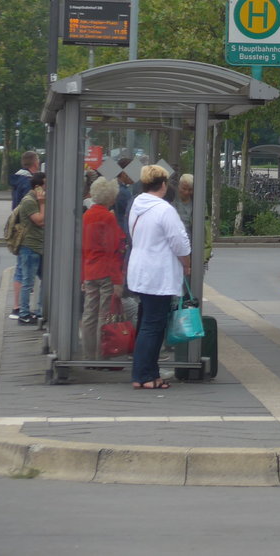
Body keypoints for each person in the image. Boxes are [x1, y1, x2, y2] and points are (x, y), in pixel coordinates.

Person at [126, 164, 191, 390]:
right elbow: (180, 242)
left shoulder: (137, 205)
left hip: (140, 270)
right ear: (163, 185)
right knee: (152, 326)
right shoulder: (164, 210)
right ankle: (143, 376)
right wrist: (186, 263)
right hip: (157, 274)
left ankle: (150, 373)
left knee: (148, 323)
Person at [81, 177, 125, 360]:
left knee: (89, 313)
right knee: (103, 314)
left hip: (90, 270)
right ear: (110, 198)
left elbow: (83, 247)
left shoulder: (86, 216)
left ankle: (87, 354)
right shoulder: (108, 217)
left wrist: (82, 276)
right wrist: (118, 280)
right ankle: (101, 353)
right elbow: (114, 248)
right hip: (106, 271)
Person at [8, 150, 39, 318]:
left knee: (21, 268)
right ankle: (18, 307)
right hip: (27, 231)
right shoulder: (28, 183)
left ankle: (17, 306)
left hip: (20, 228)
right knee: (23, 270)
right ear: (34, 163)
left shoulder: (19, 180)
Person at [15, 171, 47, 326]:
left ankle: (40, 311)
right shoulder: (29, 201)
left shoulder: (37, 199)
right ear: (38, 187)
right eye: (45, 185)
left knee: (46, 279)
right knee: (28, 282)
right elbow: (40, 221)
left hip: (39, 247)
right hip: (30, 247)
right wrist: (42, 203)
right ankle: (24, 314)